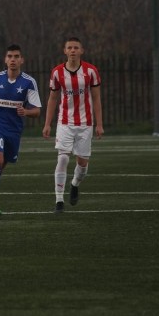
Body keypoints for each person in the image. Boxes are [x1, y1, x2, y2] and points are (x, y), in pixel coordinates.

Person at [0, 44, 41, 218]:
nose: (13, 59)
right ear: (5, 59)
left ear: (21, 60)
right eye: (10, 56)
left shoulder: (28, 82)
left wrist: (26, 112)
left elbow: (37, 111)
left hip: (14, 131)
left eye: (16, 56)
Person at [42, 37, 104, 212]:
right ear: (64, 50)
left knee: (82, 164)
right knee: (62, 157)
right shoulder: (57, 73)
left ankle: (75, 183)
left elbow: (97, 97)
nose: (73, 50)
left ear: (81, 50)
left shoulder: (91, 71)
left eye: (76, 47)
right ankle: (59, 201)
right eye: (69, 47)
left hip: (85, 124)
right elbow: (53, 98)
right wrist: (47, 124)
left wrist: (99, 124)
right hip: (65, 122)